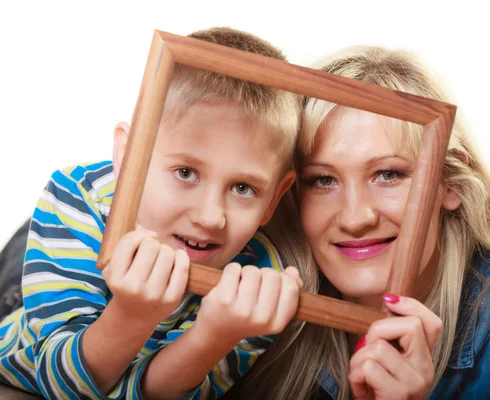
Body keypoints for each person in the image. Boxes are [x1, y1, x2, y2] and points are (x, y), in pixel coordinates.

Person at [223, 46, 490, 399]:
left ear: (448, 183)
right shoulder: (255, 311)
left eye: (388, 174)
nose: (355, 218)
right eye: (323, 180)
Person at [0, 27, 314, 400]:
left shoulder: (263, 280)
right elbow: (58, 384)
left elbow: (144, 395)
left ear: (275, 198)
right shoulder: (77, 193)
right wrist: (132, 315)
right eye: (186, 173)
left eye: (243, 188)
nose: (211, 217)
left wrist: (213, 337)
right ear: (129, 156)